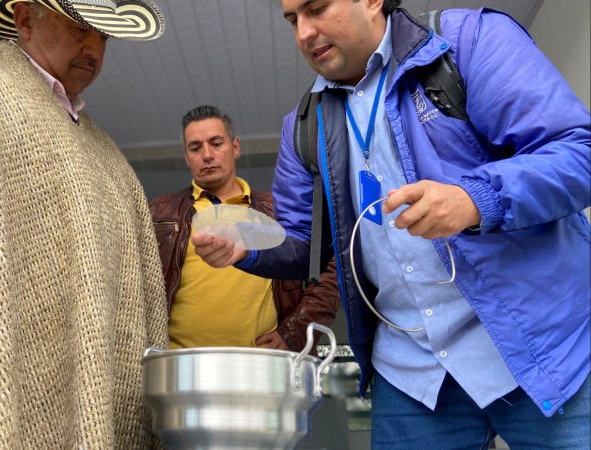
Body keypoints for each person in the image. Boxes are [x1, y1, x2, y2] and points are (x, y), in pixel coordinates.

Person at [191, 0, 591, 448]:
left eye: (317, 8)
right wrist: (249, 249)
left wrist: (473, 200)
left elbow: (577, 153)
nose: (303, 32)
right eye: (292, 20)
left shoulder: (468, 42)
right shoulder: (303, 127)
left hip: (547, 349)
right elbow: (305, 242)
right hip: (412, 377)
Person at [0, 1, 168, 449]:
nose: (94, 47)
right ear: (24, 19)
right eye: (80, 27)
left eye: (105, 36)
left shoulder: (110, 159)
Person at [149, 105, 339, 353]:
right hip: (181, 366)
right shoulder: (160, 213)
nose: (207, 155)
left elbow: (331, 269)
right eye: (196, 147)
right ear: (187, 157)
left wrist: (295, 330)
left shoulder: (279, 211)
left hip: (262, 365)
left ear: (235, 147)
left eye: (216, 143)